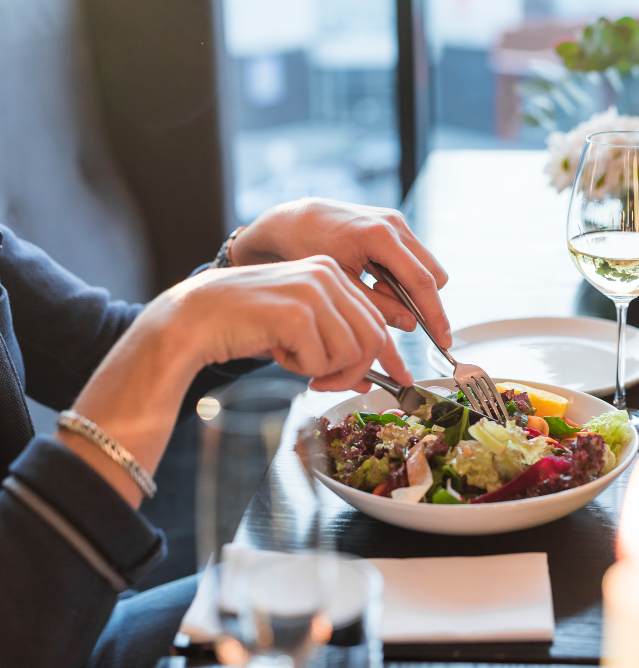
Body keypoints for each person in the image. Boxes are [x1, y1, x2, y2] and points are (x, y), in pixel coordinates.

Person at [0, 198, 451, 667]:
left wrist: (247, 261)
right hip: (35, 616)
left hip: (71, 598)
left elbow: (92, 357)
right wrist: (179, 326)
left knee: (403, 597)